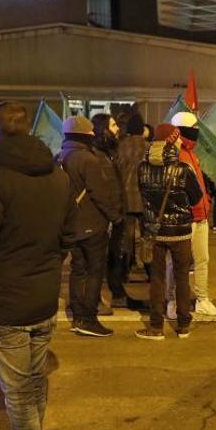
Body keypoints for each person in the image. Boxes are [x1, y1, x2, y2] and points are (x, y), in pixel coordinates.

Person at [0, 101, 76, 430]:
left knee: (19, 392)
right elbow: (69, 235)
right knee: (33, 381)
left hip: (4, 302)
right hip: (43, 297)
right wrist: (50, 265)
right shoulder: (57, 174)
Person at [135, 124, 203, 340]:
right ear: (173, 141)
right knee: (182, 278)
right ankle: (183, 325)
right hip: (181, 232)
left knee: (156, 279)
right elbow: (196, 198)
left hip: (154, 232)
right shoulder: (183, 169)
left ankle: (155, 327)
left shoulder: (142, 168)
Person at [58, 115, 123, 337]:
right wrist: (115, 217)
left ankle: (77, 314)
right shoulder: (88, 159)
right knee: (94, 271)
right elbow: (100, 194)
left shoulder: (61, 156)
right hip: (92, 224)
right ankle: (87, 318)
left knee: (78, 269)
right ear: (85, 135)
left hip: (70, 224)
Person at [168, 112, 216, 316]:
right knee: (175, 262)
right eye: (193, 128)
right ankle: (172, 301)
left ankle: (202, 299)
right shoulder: (173, 154)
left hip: (200, 216)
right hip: (185, 217)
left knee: (202, 260)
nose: (197, 132)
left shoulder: (192, 153)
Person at [113, 113, 149, 309]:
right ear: (142, 129)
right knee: (147, 239)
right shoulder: (148, 146)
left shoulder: (121, 145)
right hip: (144, 199)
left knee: (124, 241)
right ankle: (150, 271)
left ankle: (123, 272)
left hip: (125, 198)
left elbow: (116, 169)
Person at [91, 113, 125, 316]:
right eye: (113, 125)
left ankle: (111, 294)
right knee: (96, 262)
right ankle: (93, 301)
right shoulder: (97, 155)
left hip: (113, 215)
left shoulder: (109, 152)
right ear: (103, 129)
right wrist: (114, 215)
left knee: (110, 258)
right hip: (104, 217)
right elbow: (102, 190)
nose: (117, 129)